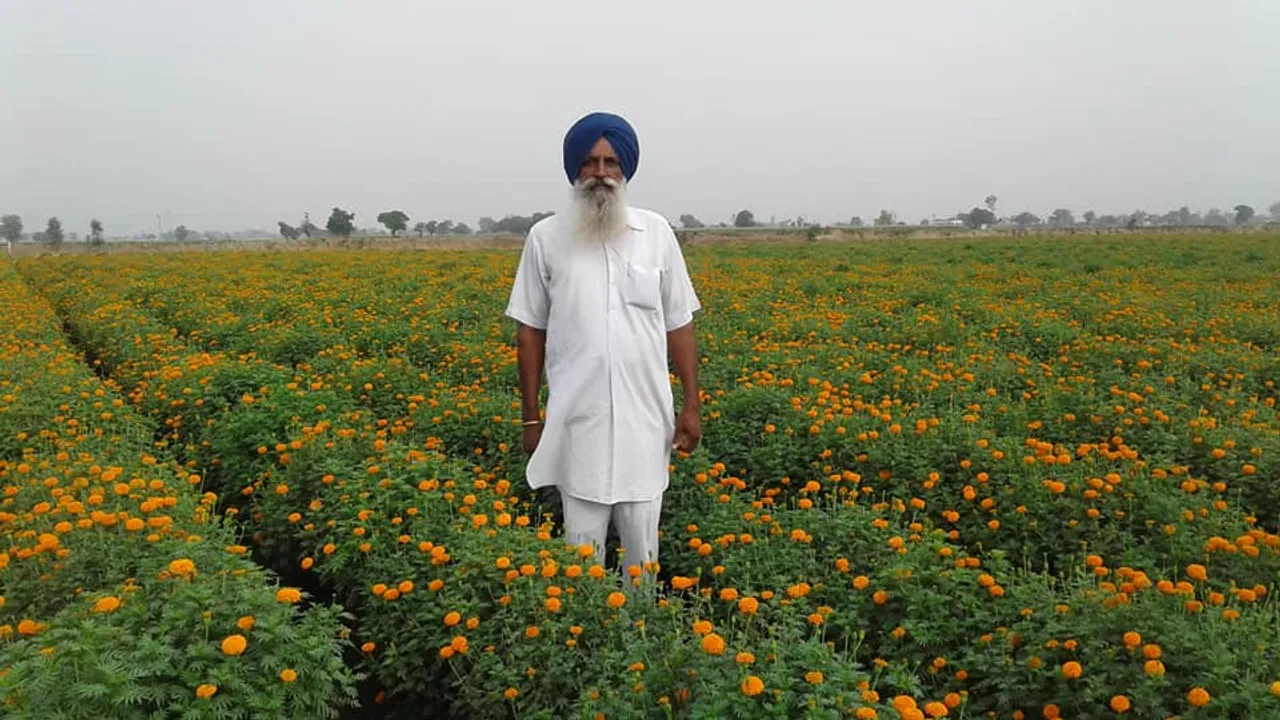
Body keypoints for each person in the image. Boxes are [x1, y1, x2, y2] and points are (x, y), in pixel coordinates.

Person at [504, 111, 703, 585]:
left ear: (625, 169)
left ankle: (643, 639)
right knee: (581, 562)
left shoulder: (655, 235)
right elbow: (530, 331)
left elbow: (679, 323)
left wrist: (692, 404)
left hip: (645, 426)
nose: (600, 173)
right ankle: (590, 648)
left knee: (643, 560)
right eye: (590, 162)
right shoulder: (546, 239)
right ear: (574, 169)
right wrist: (531, 418)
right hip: (578, 428)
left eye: (610, 162)